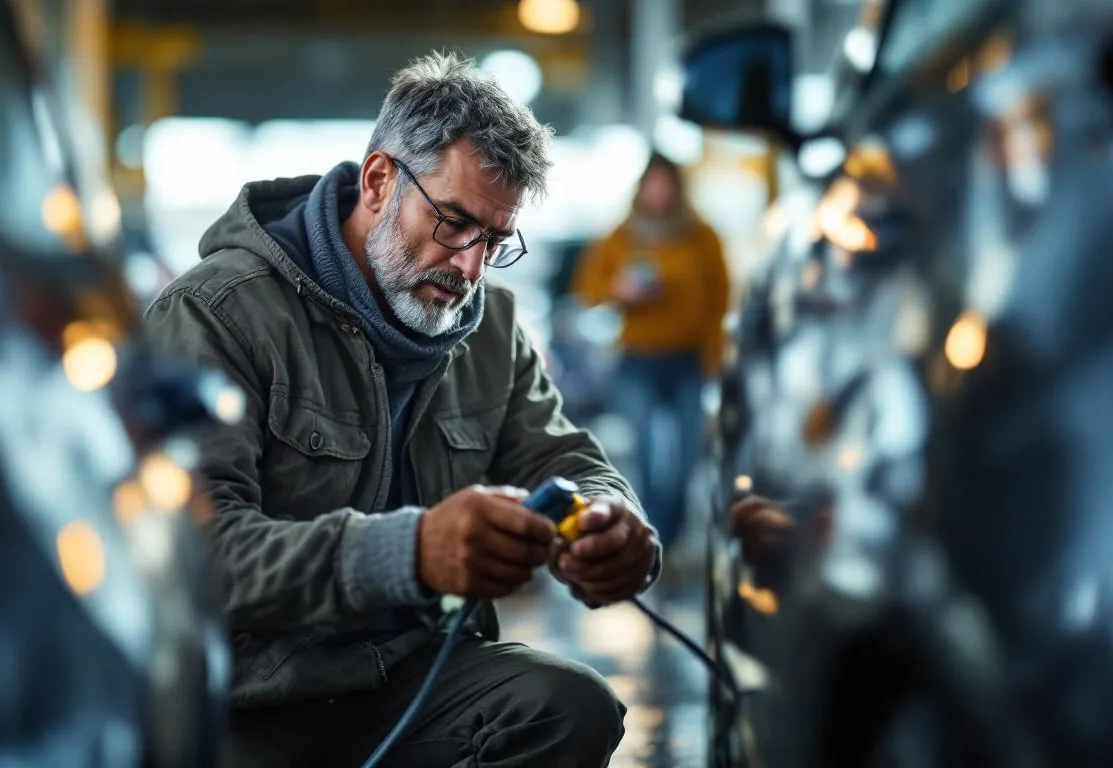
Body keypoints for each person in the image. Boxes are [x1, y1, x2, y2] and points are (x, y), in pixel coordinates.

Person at [143, 52, 660, 767]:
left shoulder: (490, 325)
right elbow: (192, 554)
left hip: (407, 679)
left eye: (494, 240)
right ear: (380, 181)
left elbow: (563, 458)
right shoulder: (217, 315)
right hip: (248, 702)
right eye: (454, 223)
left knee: (569, 708)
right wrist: (408, 553)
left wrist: (616, 521)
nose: (469, 266)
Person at [571, 153, 730, 559]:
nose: (659, 192)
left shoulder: (702, 237)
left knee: (686, 455)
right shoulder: (621, 237)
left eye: (667, 184)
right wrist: (619, 291)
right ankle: (651, 532)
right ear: (641, 188)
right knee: (646, 453)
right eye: (652, 184)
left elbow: (720, 303)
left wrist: (716, 360)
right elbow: (588, 289)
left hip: (688, 360)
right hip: (637, 361)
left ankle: (668, 534)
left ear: (678, 188)